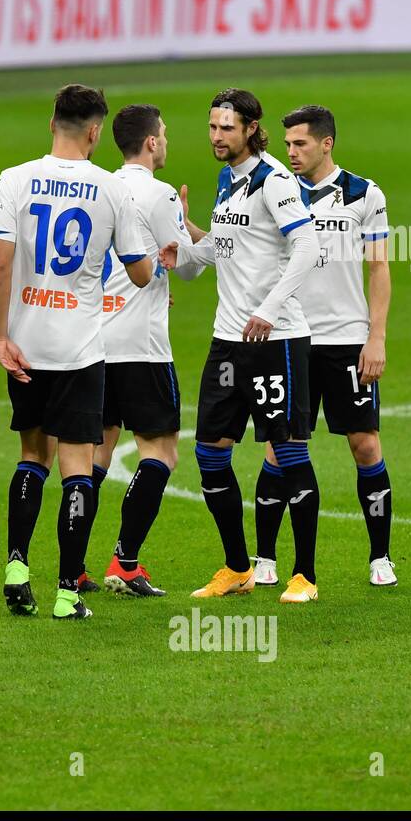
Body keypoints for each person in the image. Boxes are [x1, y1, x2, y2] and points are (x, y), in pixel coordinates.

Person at [0, 85, 155, 621]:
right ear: (94, 132)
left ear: (51, 122)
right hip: (80, 350)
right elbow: (140, 272)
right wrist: (159, 254)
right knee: (77, 467)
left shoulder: (13, 179)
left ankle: (16, 566)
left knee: (31, 457)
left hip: (26, 349)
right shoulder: (111, 190)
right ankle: (66, 592)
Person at [159, 88, 323, 604]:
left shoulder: (275, 180)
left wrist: (268, 310)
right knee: (210, 452)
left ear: (251, 127)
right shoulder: (228, 180)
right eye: (211, 127)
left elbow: (308, 245)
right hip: (228, 340)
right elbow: (219, 253)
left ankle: (305, 575)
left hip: (276, 340)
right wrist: (184, 244)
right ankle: (236, 566)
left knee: (289, 450)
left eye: (226, 128)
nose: (216, 136)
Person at [252, 105, 396, 589]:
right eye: (288, 144)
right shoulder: (275, 192)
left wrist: (375, 337)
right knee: (280, 448)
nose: (290, 152)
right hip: (290, 338)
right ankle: (265, 558)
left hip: (346, 340)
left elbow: (378, 267)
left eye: (300, 144)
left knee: (364, 443)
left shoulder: (363, 193)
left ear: (326, 143)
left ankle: (380, 557)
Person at [94, 104, 204, 597]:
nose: (166, 140)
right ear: (151, 142)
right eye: (164, 133)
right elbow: (190, 268)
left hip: (93, 341)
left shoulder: (99, 186)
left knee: (92, 454)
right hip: (141, 344)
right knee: (159, 451)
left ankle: (71, 569)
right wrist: (188, 224)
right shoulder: (158, 195)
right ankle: (125, 562)